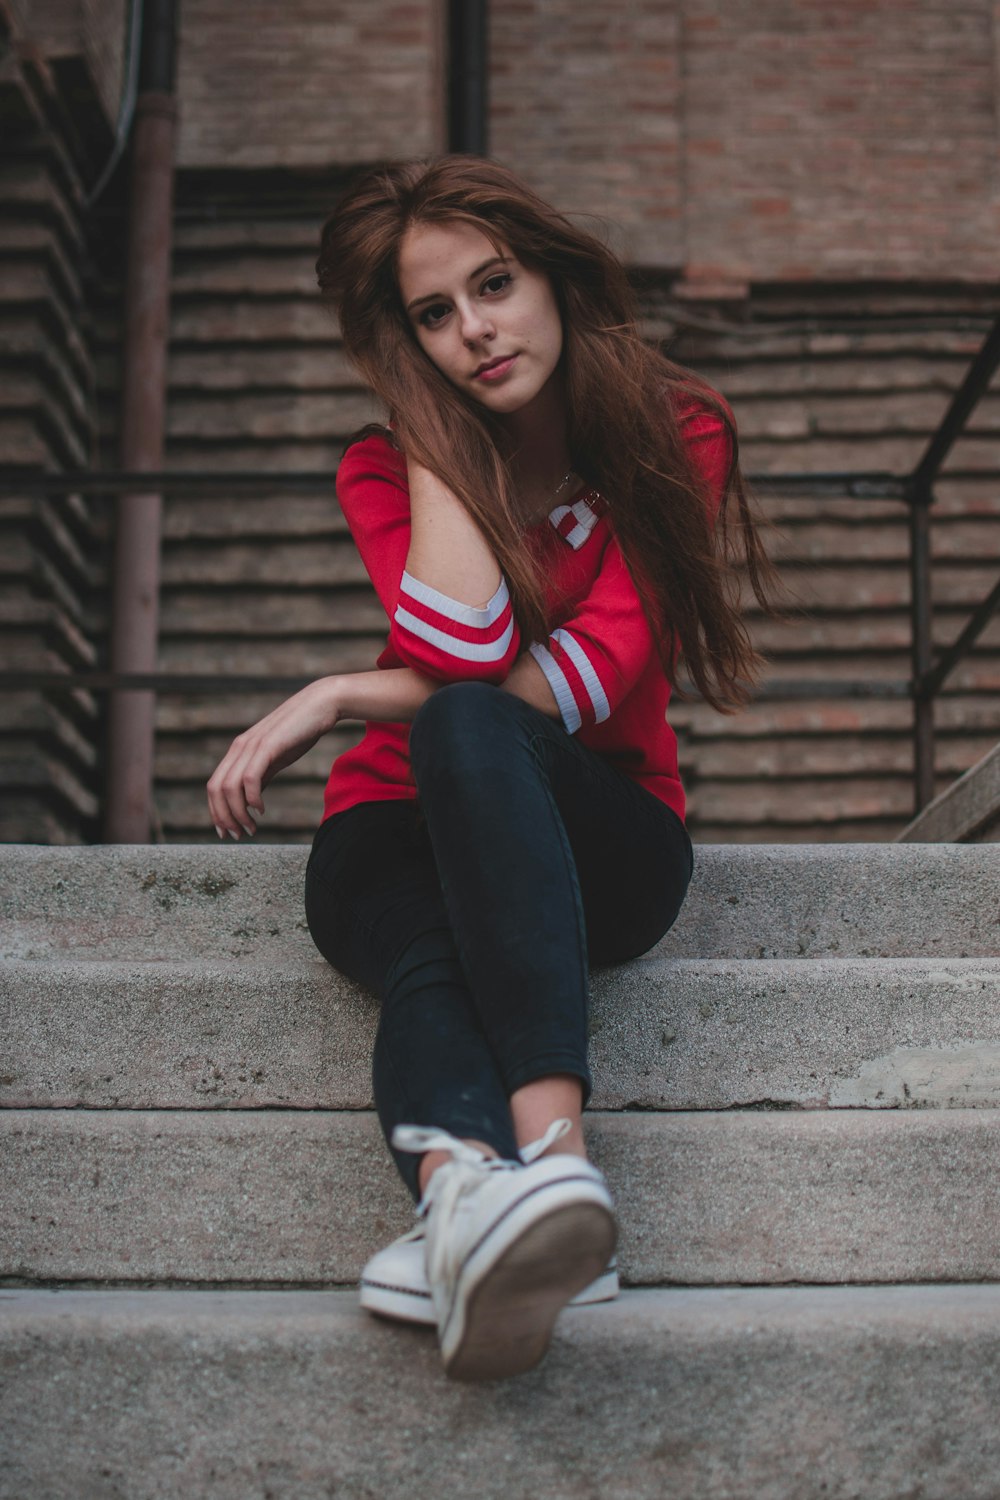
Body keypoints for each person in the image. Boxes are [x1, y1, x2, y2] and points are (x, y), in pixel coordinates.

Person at [206, 155, 775, 1383]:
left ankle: (553, 1163)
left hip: (605, 832)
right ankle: (467, 1204)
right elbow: (463, 641)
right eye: (431, 315)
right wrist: (432, 428)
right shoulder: (383, 462)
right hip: (386, 828)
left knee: (468, 731)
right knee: (429, 928)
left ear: (553, 277)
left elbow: (585, 678)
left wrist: (344, 691)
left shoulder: (678, 428)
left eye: (494, 284)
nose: (475, 330)